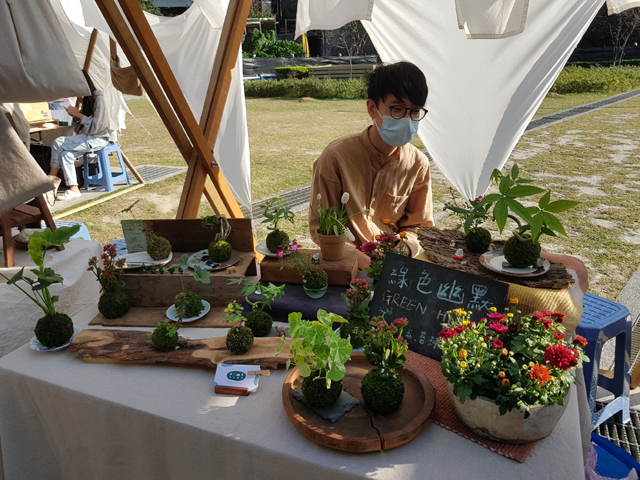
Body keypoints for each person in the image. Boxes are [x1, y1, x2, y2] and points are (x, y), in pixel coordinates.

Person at [309, 61, 434, 267]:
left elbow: (419, 226)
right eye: (397, 109)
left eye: (415, 111)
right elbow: (321, 228)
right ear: (372, 108)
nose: (407, 119)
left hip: (394, 263)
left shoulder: (417, 164)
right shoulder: (336, 157)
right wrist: (354, 257)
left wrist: (402, 249)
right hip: (345, 264)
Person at [48, 71, 113, 200]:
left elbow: (98, 126)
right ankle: (74, 189)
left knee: (58, 142)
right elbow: (81, 127)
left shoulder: (100, 99)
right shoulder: (88, 99)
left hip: (98, 139)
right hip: (89, 138)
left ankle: (51, 178)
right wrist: (76, 116)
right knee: (65, 154)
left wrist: (78, 115)